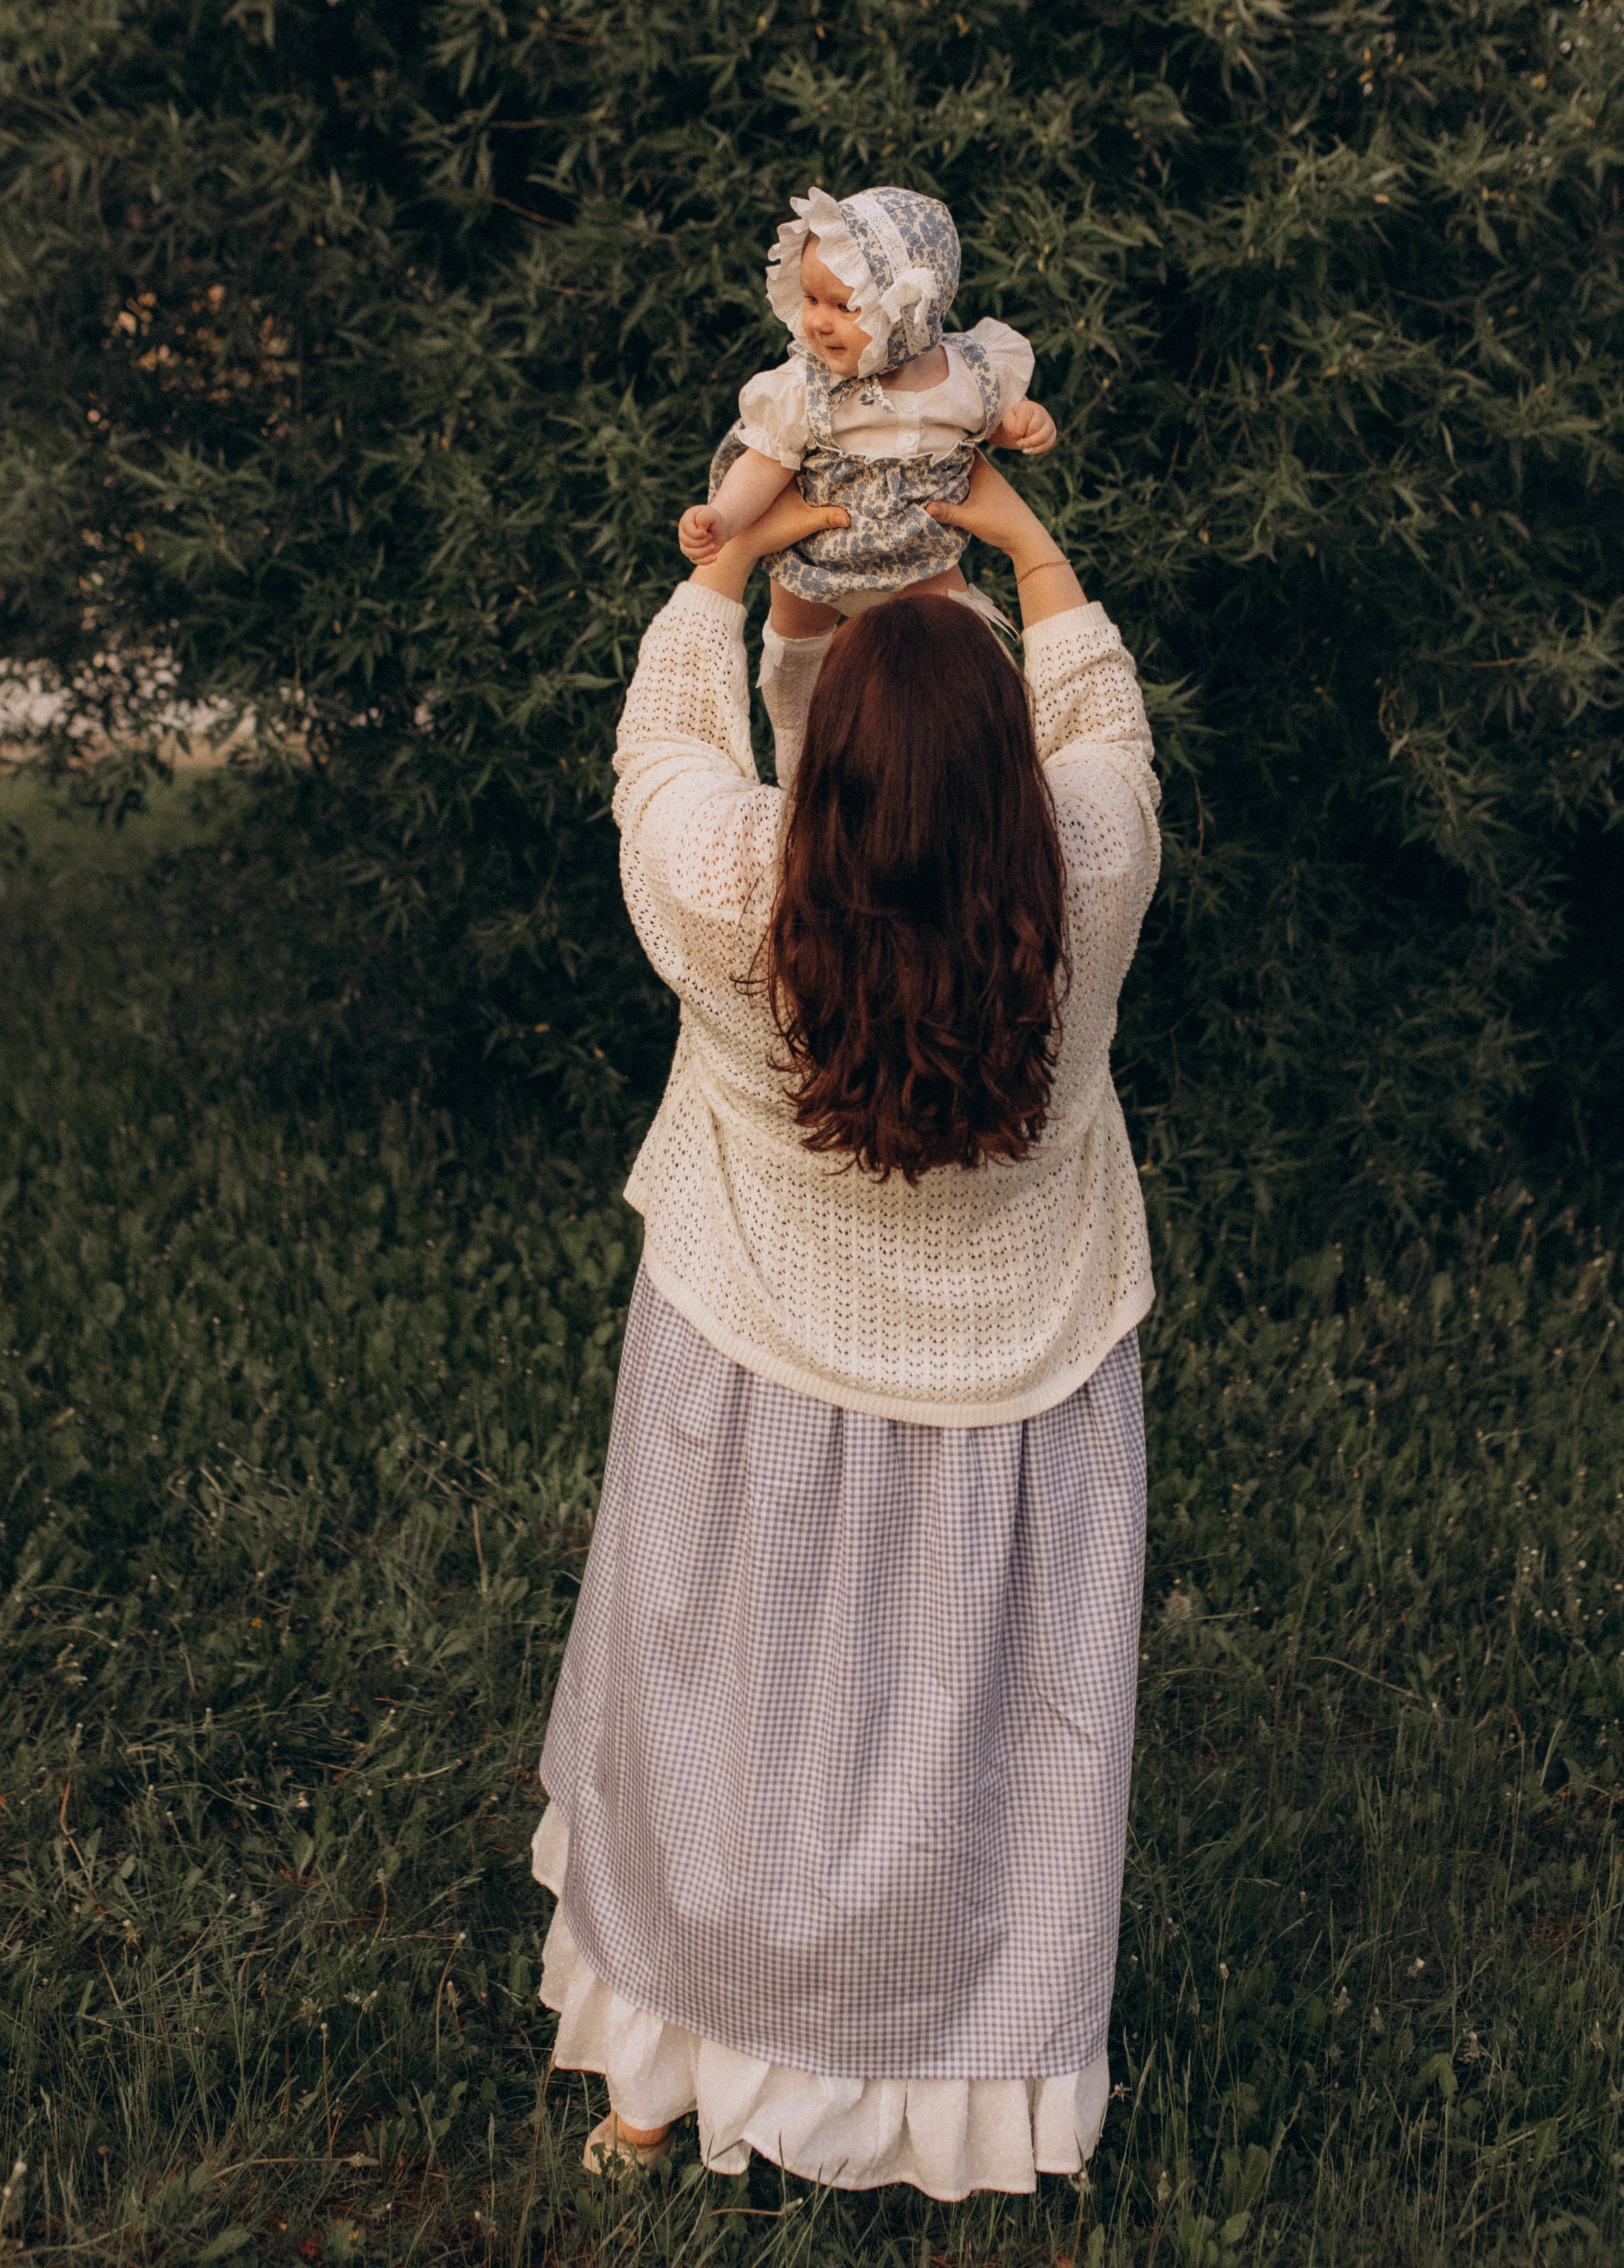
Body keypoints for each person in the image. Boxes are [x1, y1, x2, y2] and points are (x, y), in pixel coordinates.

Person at [531, 453, 1161, 2200]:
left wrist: (732, 555)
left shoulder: (736, 886)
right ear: (1006, 776)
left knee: (717, 1725)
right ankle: (954, 2094)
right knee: (969, 1763)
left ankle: (652, 2089)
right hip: (1018, 1389)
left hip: (751, 1368)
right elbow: (1101, 705)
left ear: (824, 775)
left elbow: (658, 741)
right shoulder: (1086, 870)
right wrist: (1019, 534)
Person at [677, 187, 1058, 641]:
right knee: (795, 638)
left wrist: (1020, 424)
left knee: (955, 641)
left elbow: (994, 419)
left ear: (909, 311)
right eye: (812, 300)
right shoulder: (805, 384)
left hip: (919, 556)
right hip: (815, 555)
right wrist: (723, 516)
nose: (818, 321)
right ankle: (794, 713)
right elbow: (764, 462)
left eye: (844, 305)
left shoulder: (968, 372)